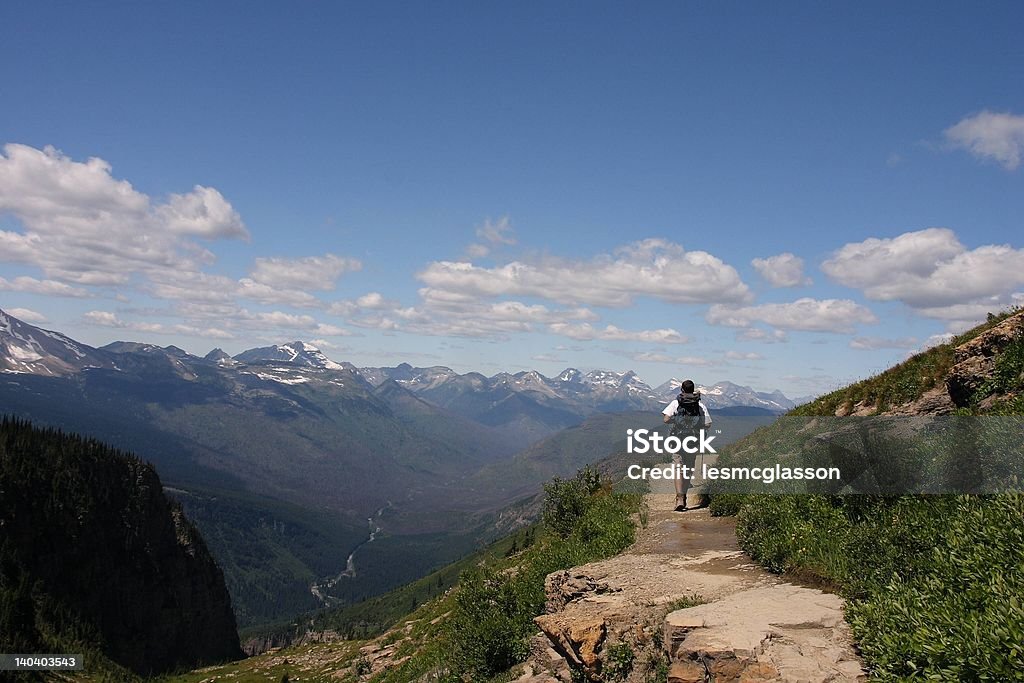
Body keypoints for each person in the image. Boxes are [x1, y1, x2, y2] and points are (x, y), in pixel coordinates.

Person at [662, 379, 712, 511]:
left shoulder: (676, 402)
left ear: (682, 389)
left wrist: (678, 420)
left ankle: (679, 498)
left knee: (678, 467)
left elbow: (666, 419)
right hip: (693, 441)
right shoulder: (700, 405)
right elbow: (707, 424)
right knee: (688, 468)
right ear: (693, 389)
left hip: (677, 439)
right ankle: (684, 497)